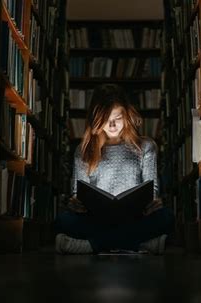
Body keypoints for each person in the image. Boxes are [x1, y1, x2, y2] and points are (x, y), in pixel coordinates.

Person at [54, 84, 174, 255]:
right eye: (105, 119)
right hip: (96, 220)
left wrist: (153, 203)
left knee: (167, 218)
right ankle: (141, 245)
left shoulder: (146, 147)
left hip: (135, 218)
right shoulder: (83, 150)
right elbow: (78, 191)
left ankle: (91, 245)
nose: (111, 125)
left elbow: (151, 189)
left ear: (127, 115)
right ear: (96, 118)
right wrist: (76, 202)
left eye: (117, 118)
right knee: (62, 220)